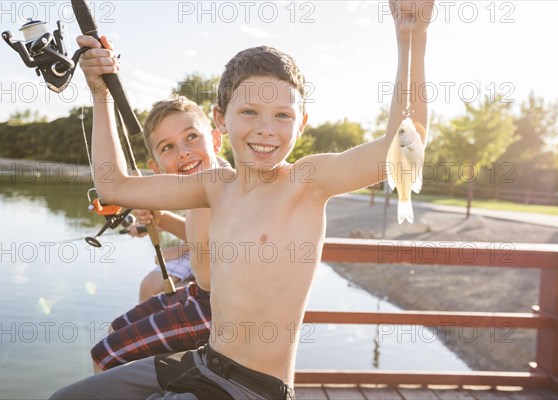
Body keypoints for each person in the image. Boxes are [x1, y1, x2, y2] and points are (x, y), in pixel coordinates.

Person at [51, 1, 432, 398]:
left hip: (253, 387)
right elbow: (115, 186)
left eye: (282, 115)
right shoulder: (216, 185)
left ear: (301, 122)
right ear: (220, 118)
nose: (266, 130)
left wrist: (412, 38)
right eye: (249, 111)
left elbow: (404, 148)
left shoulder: (305, 182)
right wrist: (100, 92)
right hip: (204, 360)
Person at [90, 96, 229, 372]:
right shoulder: (200, 183)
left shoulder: (221, 183)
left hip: (221, 310)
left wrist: (101, 93)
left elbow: (112, 185)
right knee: (116, 328)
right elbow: (200, 240)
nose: (184, 152)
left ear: (215, 140)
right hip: (201, 295)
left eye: (191, 137)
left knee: (104, 356)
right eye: (168, 147)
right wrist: (161, 218)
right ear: (156, 168)